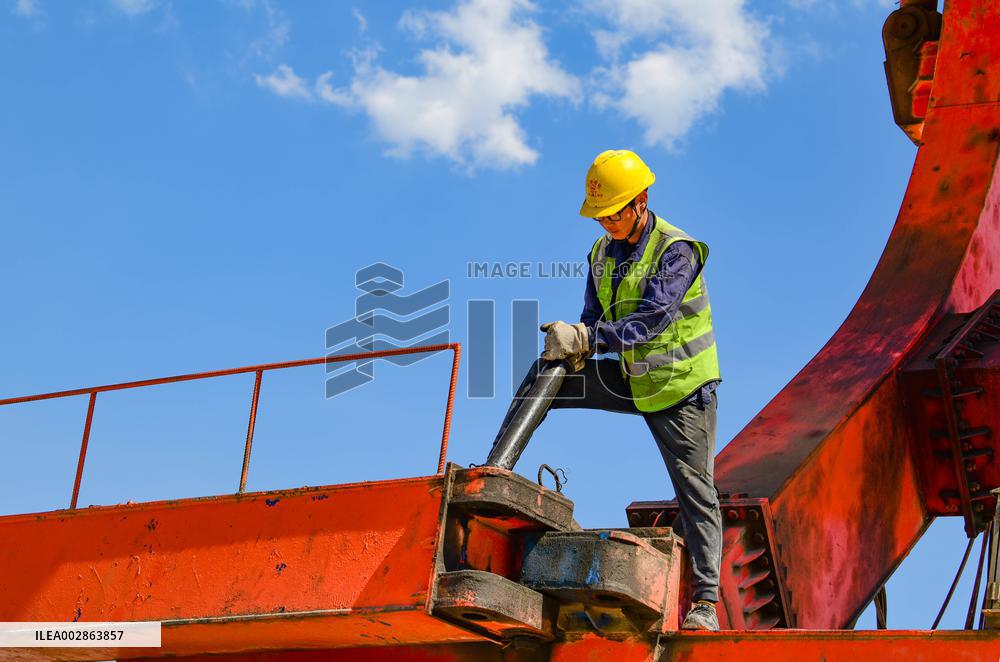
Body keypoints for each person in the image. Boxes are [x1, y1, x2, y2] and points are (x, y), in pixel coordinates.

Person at [537, 149, 723, 631]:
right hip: (634, 379)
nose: (608, 224)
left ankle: (705, 603)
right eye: (600, 216)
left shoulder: (677, 250)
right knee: (549, 377)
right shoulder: (601, 254)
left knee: (695, 491)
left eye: (615, 212)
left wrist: (588, 338)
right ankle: (497, 469)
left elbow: (651, 321)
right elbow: (594, 320)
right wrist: (575, 344)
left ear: (642, 200)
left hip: (681, 388)